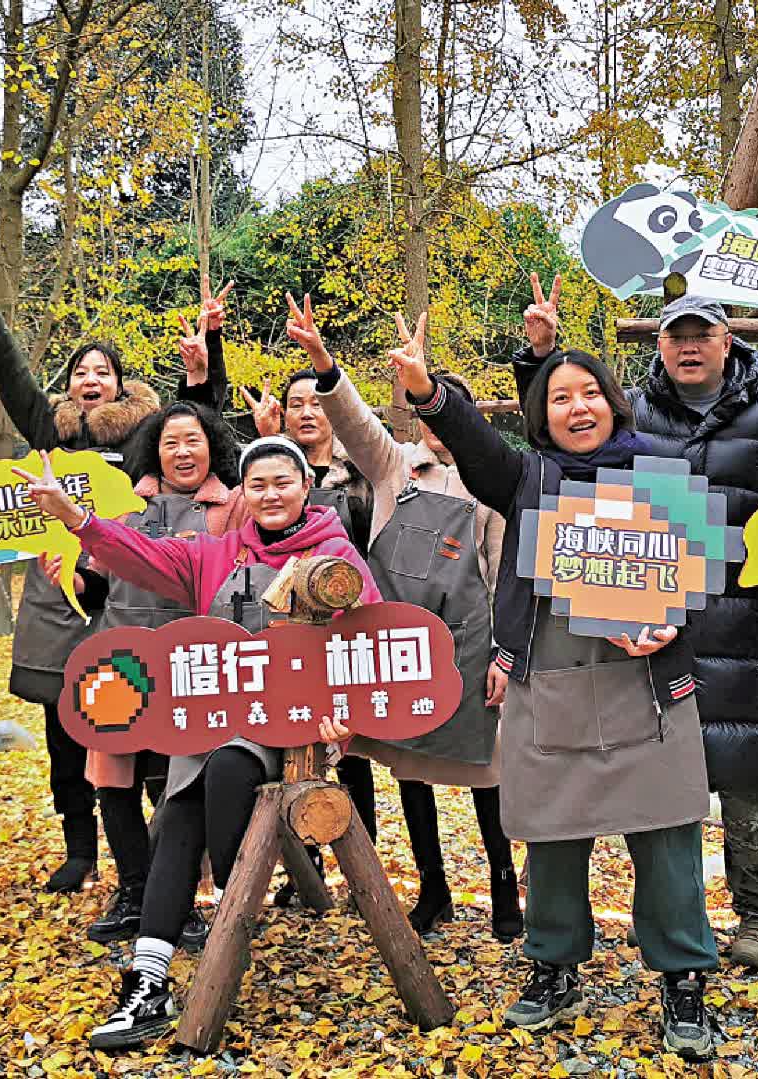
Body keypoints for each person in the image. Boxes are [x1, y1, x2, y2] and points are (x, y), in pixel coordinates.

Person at [391, 314, 721, 1060]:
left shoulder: (663, 473)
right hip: (551, 682)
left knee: (667, 839)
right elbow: (476, 447)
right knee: (552, 838)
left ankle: (682, 978)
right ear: (541, 416)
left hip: (647, 685)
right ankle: (554, 963)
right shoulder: (527, 478)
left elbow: (698, 582)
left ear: (613, 401)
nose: (577, 407)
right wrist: (428, 390)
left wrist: (674, 625)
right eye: (560, 397)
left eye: (589, 393)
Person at [17, 435, 377, 1050]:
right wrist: (75, 517)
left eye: (282, 482)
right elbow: (139, 554)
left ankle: (232, 897)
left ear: (304, 487)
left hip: (293, 729)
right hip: (213, 717)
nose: (270, 495)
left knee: (230, 771)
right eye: (257, 484)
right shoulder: (214, 554)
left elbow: (367, 640)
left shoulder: (336, 557)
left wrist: (347, 716)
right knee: (180, 806)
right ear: (244, 492)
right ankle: (149, 976)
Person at [513, 275, 758, 972]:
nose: (691, 347)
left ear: (727, 342)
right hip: (643, 623)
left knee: (745, 771)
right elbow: (565, 451)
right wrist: (539, 359)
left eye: (704, 334)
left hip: (742, 615)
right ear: (660, 345)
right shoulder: (635, 412)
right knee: (664, 781)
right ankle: (658, 930)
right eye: (677, 336)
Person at [0, 241, 223, 895]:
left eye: (102, 370)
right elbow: (10, 375)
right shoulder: (49, 430)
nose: (89, 379)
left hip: (134, 599)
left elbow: (198, 428)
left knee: (144, 733)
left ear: (121, 382)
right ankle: (79, 850)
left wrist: (205, 362)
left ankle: (162, 856)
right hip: (58, 604)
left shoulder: (147, 433)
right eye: (79, 371)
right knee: (66, 738)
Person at [279, 294, 520, 940]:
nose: (439, 425)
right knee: (409, 767)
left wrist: (503, 654)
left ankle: (504, 886)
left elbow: (499, 573)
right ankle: (433, 886)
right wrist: (324, 365)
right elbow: (353, 422)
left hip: (469, 646)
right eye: (429, 409)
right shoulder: (393, 466)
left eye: (452, 410)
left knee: (482, 770)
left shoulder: (489, 484)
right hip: (399, 649)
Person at [81, 396, 247, 946]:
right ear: (153, 449)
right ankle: (133, 888)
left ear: (212, 448)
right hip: (120, 654)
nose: (181, 452)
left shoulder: (233, 504)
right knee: (112, 777)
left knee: (177, 781)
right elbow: (96, 575)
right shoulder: (123, 503)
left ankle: (179, 896)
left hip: (190, 659)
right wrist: (73, 578)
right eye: (170, 442)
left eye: (193, 441)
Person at [245, 365, 379, 900]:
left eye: (316, 402)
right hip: (285, 637)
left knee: (349, 756)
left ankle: (360, 868)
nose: (307, 411)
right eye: (295, 402)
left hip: (344, 631)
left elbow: (373, 554)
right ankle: (305, 870)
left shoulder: (362, 474)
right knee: (290, 746)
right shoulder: (270, 474)